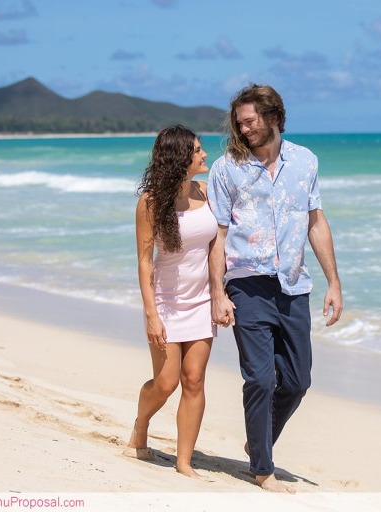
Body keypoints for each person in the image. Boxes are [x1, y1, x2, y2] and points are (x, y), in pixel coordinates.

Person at [207, 84, 343, 493]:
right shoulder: (225, 169)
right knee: (260, 379)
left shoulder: (305, 162)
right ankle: (262, 469)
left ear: (272, 117)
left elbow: (316, 222)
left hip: (293, 286)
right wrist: (218, 292)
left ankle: (257, 441)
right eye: (239, 123)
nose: (243, 129)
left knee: (298, 381)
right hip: (247, 284)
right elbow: (217, 233)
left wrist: (334, 282)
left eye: (249, 122)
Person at [124, 124, 217, 479]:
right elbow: (145, 261)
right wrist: (151, 314)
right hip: (165, 301)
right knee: (165, 383)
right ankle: (141, 423)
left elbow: (217, 248)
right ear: (180, 158)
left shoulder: (207, 193)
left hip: (201, 301)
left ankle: (184, 461)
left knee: (194, 380)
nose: (204, 154)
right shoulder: (150, 202)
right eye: (197, 150)